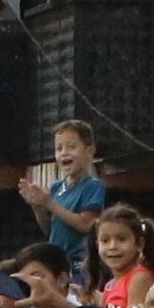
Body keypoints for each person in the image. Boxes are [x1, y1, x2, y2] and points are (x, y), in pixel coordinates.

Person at [20, 119, 106, 286]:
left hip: (78, 265)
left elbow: (86, 224)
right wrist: (38, 206)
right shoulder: (56, 187)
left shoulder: (93, 185)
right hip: (56, 263)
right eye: (59, 149)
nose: (64, 153)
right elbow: (49, 228)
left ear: (89, 151)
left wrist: (50, 204)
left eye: (71, 147)